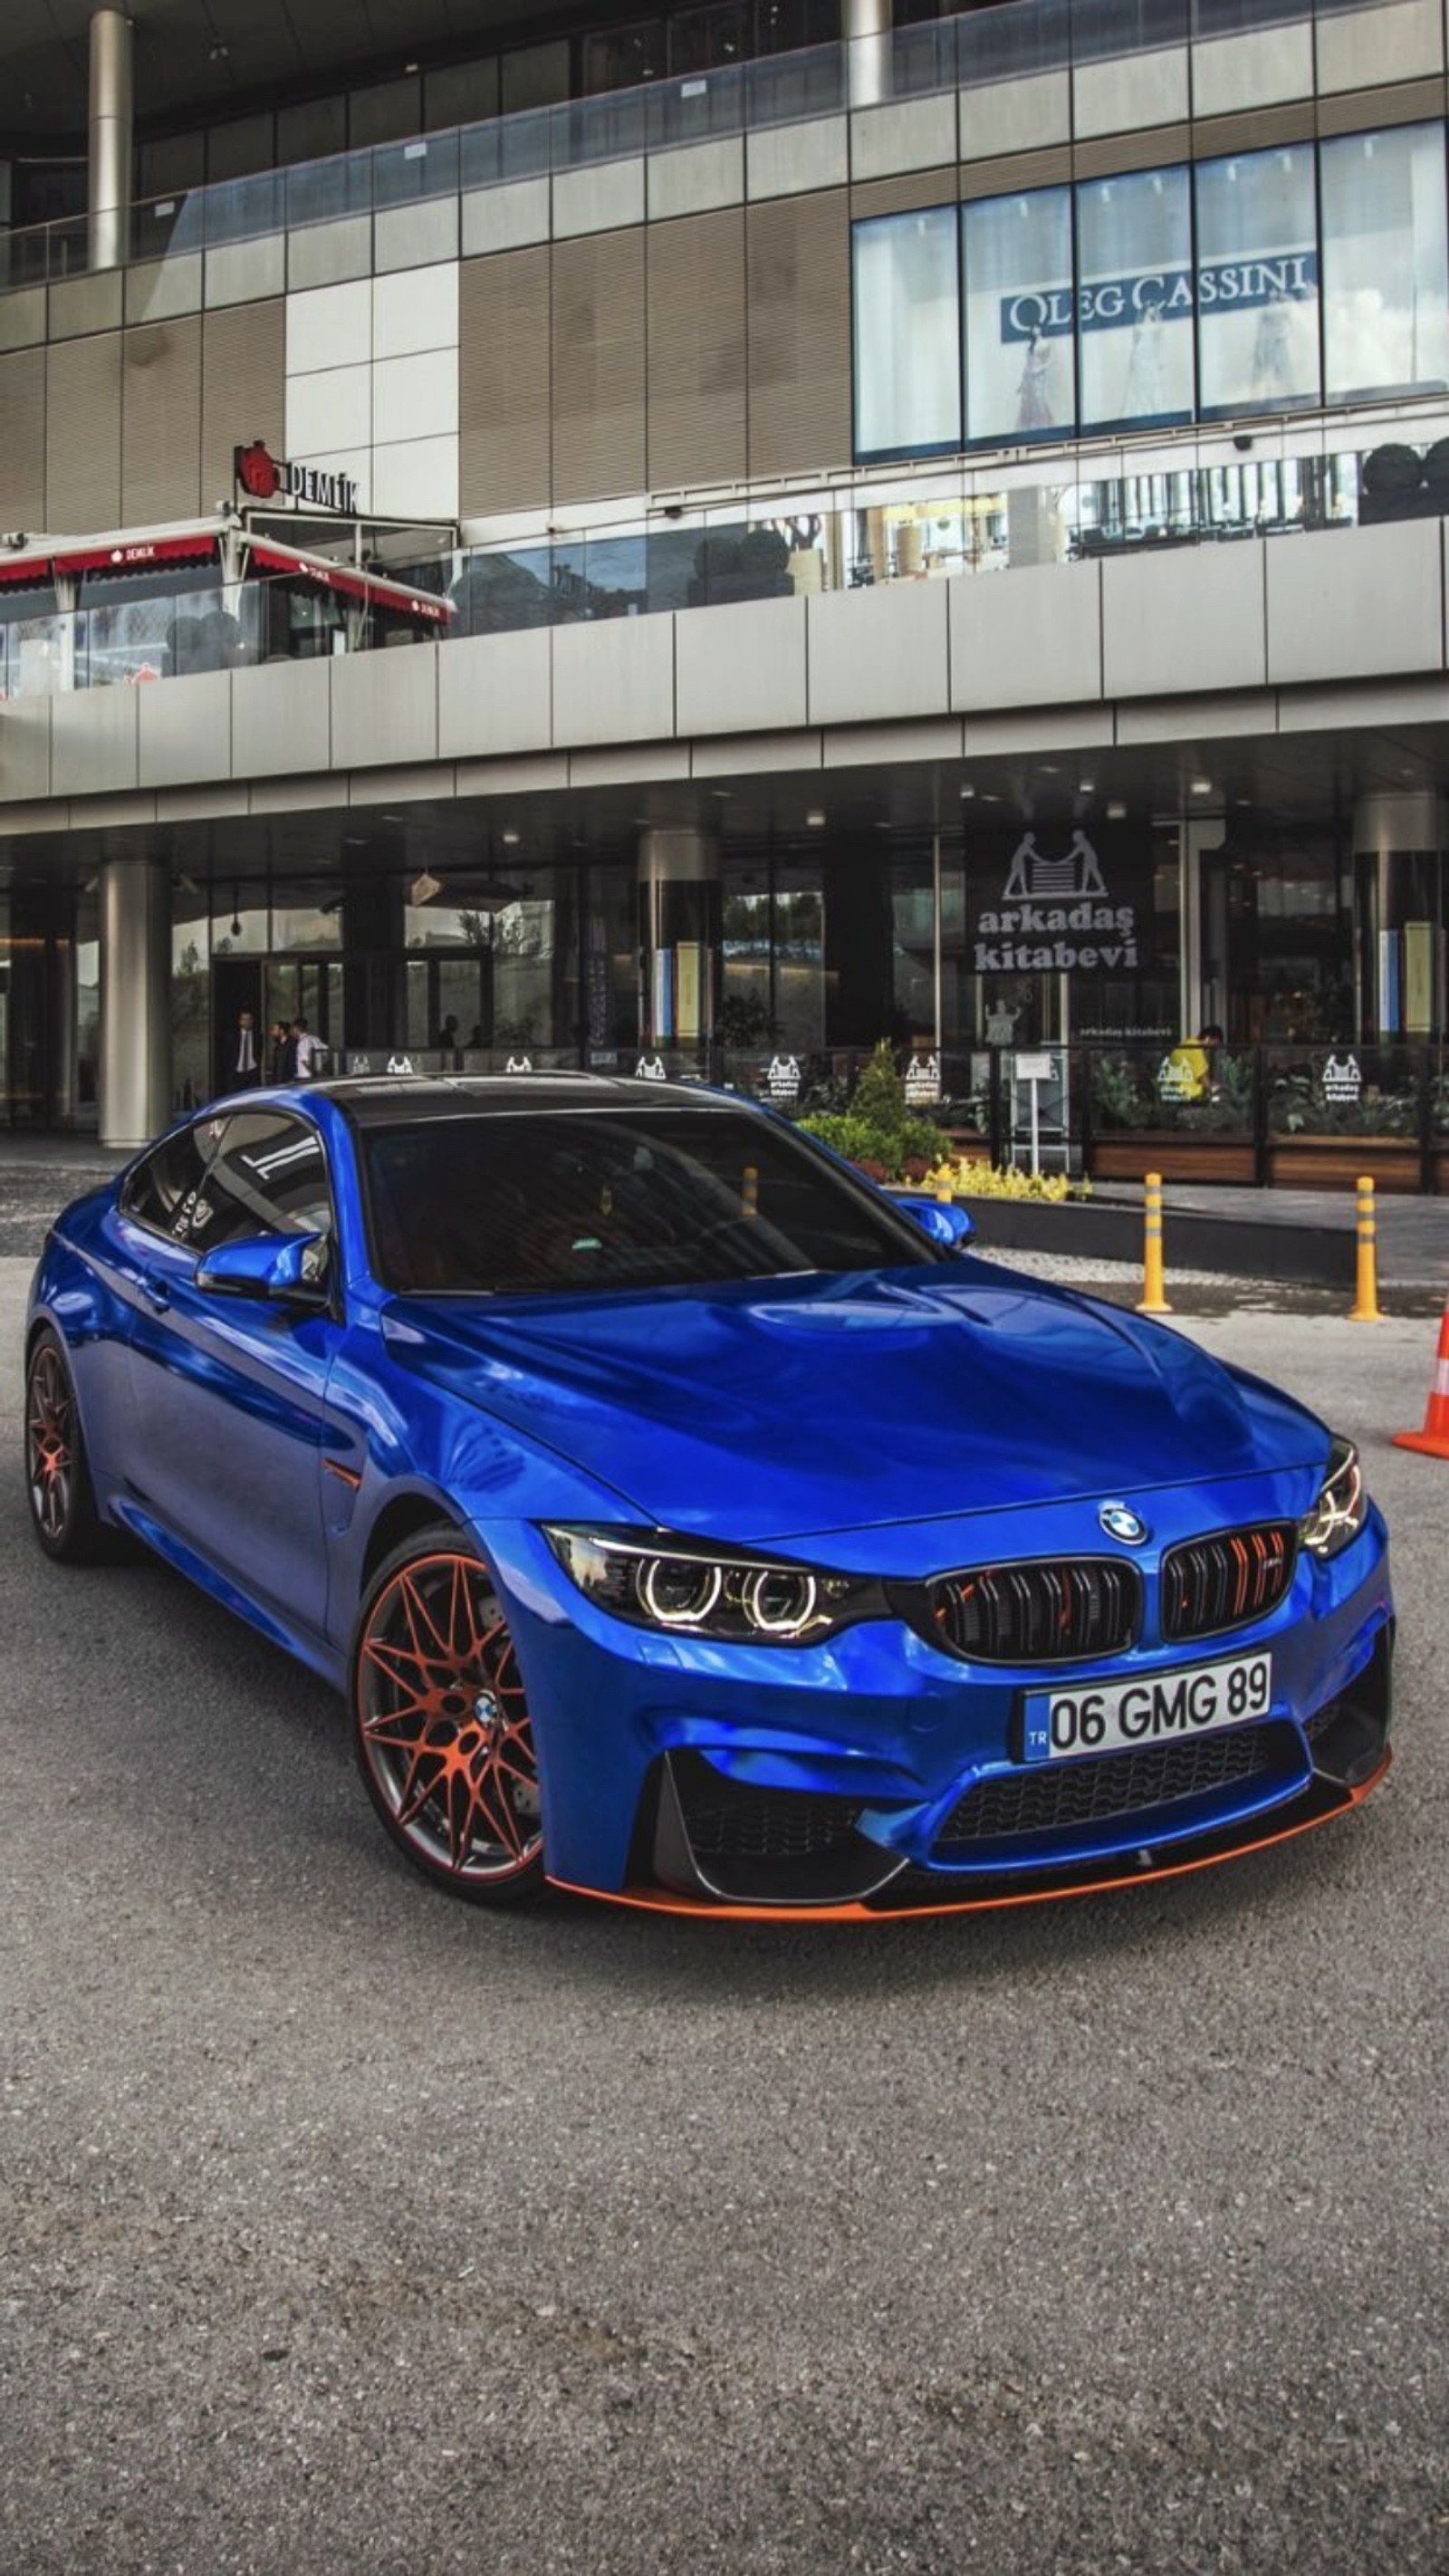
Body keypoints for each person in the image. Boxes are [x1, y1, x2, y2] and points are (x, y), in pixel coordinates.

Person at [230, 1008, 261, 1086]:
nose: (247, 1022)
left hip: (252, 1071)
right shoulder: (233, 1036)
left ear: (252, 1021)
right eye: (244, 1019)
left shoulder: (258, 1036)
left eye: (249, 1019)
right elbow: (227, 1053)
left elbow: (259, 1053)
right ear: (240, 1022)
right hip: (237, 1071)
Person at [292, 1015, 328, 1080]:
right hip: (319, 1074)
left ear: (297, 1029)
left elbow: (305, 1062)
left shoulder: (302, 1043)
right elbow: (327, 1051)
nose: (293, 1032)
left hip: (306, 1076)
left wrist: (314, 1074)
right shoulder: (315, 1039)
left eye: (293, 1029)